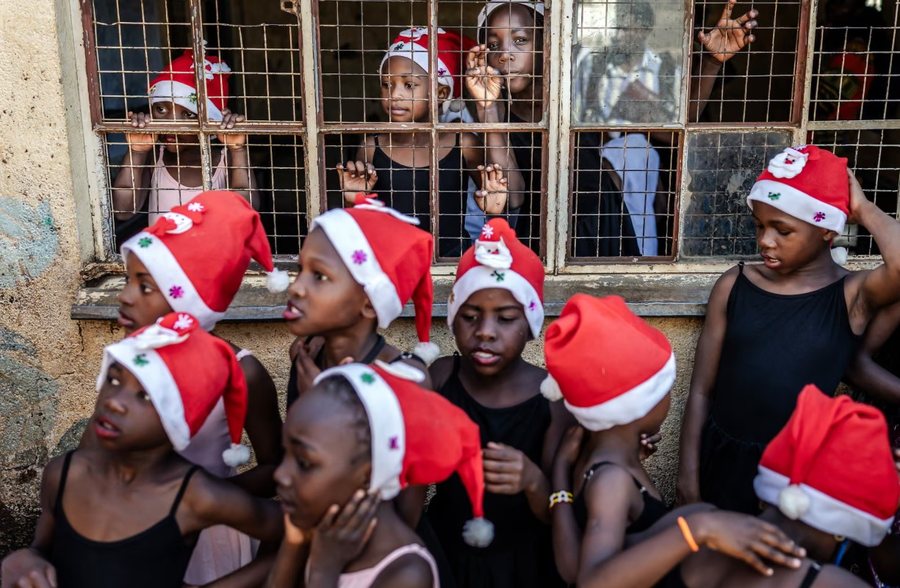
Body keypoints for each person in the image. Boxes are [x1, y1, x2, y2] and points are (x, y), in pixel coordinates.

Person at [678, 145, 900, 515]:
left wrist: (862, 209)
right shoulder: (735, 284)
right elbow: (701, 390)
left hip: (796, 476)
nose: (765, 241)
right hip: (721, 460)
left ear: (828, 231)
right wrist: (687, 479)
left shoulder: (851, 296)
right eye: (760, 225)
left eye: (783, 230)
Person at [1, 313, 284, 588]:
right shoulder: (65, 474)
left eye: (145, 395)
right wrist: (25, 557)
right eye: (113, 379)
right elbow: (43, 547)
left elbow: (294, 530)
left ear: (180, 417)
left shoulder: (195, 496)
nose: (114, 402)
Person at [474, 0, 758, 256]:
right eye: (494, 45)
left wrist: (709, 62)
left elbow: (675, 123)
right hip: (534, 242)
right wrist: (488, 110)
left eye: (520, 40)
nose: (505, 55)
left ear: (546, 43)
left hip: (600, 225)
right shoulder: (487, 110)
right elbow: (513, 196)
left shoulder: (581, 88)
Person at [111, 190, 286, 584]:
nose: (123, 296)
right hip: (132, 529)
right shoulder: (126, 364)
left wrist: (200, 501)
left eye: (145, 285)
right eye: (127, 279)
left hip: (211, 542)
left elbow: (276, 467)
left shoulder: (243, 373)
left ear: (187, 300)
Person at [572, 385, 898, 588]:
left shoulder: (698, 523)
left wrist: (697, 529)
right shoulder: (831, 583)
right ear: (843, 531)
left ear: (766, 494)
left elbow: (598, 571)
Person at [423, 218, 570, 588]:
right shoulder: (440, 378)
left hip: (524, 565)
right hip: (446, 556)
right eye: (470, 317)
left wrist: (533, 481)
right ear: (453, 320)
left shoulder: (551, 398)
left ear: (530, 324)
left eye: (505, 318)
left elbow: (562, 513)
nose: (485, 331)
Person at [267, 361, 494, 588]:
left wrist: (323, 569)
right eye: (285, 453)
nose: (280, 474)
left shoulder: (407, 573)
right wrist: (294, 542)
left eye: (304, 463)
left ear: (370, 473)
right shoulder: (323, 530)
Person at [335, 28, 518, 257]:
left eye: (409, 85)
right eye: (386, 84)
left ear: (441, 93)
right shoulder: (371, 147)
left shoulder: (464, 142)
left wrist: (493, 203)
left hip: (450, 260)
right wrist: (354, 200)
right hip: (389, 261)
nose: (395, 94)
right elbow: (358, 217)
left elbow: (498, 197)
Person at [539, 293, 681, 583]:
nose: (670, 397)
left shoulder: (606, 457)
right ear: (641, 405)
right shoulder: (612, 481)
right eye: (665, 388)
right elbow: (576, 573)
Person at [284, 193, 439, 409]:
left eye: (320, 276)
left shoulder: (405, 379)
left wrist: (321, 401)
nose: (296, 288)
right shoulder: (307, 352)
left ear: (369, 303)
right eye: (300, 270)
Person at [112, 51, 257, 233]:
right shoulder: (155, 157)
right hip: (165, 261)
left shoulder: (225, 160)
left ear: (213, 119)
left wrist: (237, 150)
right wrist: (137, 151)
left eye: (188, 114)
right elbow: (122, 210)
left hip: (214, 261)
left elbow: (247, 209)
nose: (171, 124)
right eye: (161, 109)